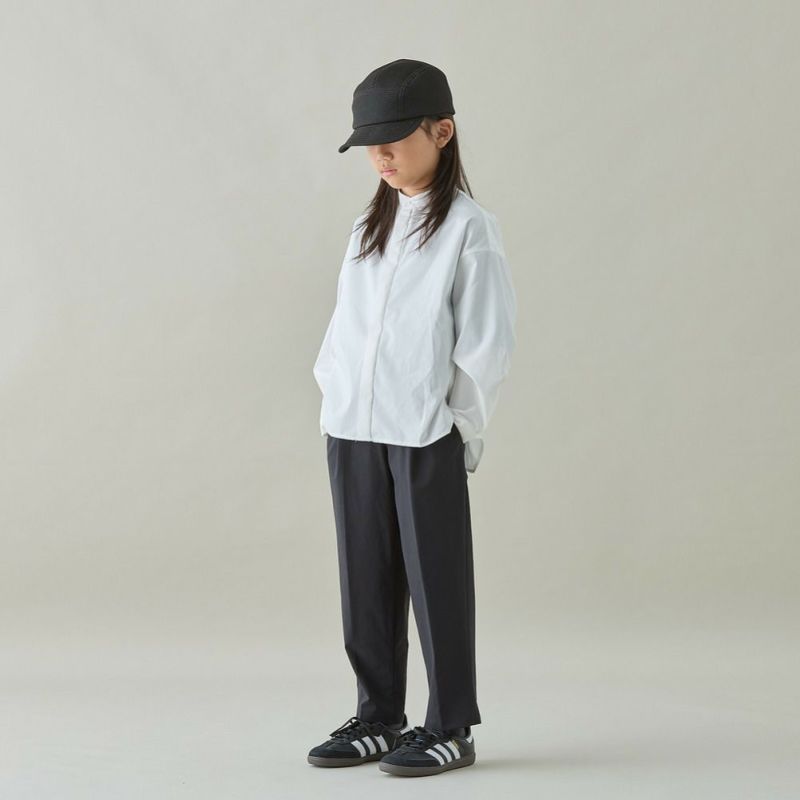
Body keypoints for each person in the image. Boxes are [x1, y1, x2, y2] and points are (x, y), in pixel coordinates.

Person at [307, 58, 517, 778]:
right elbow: (347, 324)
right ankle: (378, 715)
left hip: (425, 432)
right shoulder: (369, 226)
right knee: (364, 576)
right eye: (370, 144)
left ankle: (450, 724)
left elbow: (485, 345)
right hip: (354, 429)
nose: (381, 156)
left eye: (394, 140)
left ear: (442, 132)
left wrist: (459, 430)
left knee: (436, 580)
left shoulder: (469, 230)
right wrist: (334, 397)